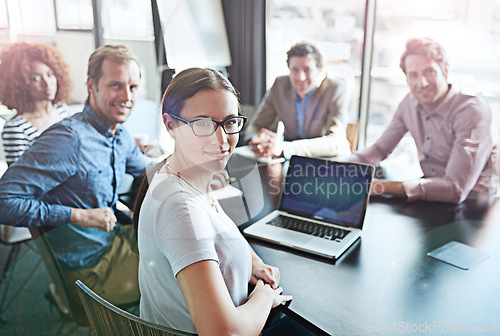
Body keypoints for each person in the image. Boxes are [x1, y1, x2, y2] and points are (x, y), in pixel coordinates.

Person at [135, 68, 314, 335]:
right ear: (171, 125)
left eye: (229, 122)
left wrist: (253, 261)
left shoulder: (185, 178)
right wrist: (265, 296)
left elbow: (219, 228)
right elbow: (224, 333)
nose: (221, 140)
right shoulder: (181, 208)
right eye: (203, 124)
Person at [0, 44, 153, 312]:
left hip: (115, 240)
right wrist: (79, 215)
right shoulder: (68, 139)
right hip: (92, 270)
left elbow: (145, 167)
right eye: (116, 85)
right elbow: (4, 202)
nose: (127, 96)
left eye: (133, 87)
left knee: (192, 250)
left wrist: (191, 166)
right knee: (189, 273)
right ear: (91, 85)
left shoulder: (117, 133)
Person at [349, 37, 499, 204]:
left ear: (445, 71)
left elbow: (455, 189)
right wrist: (338, 169)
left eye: (429, 72)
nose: (422, 82)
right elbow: (380, 149)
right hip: (430, 196)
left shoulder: (471, 110)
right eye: (413, 75)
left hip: (476, 205)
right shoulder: (408, 103)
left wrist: (380, 186)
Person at [246, 41, 351, 159]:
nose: (301, 77)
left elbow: (336, 141)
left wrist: (285, 148)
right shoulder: (279, 85)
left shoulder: (335, 88)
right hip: (291, 163)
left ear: (320, 69)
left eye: (307, 69)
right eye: (294, 70)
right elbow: (256, 126)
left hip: (328, 162)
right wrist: (256, 140)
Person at [0, 42, 73, 166]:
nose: (47, 83)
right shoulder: (16, 129)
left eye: (50, 75)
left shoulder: (63, 110)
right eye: (36, 78)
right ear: (20, 84)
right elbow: (19, 178)